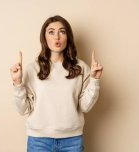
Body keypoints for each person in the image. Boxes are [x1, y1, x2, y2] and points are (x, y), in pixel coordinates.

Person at [9, 15, 103, 152]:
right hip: (39, 142)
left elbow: (85, 106)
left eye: (62, 32)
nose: (56, 37)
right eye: (51, 32)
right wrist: (17, 83)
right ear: (44, 37)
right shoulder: (32, 68)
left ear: (68, 37)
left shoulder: (80, 68)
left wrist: (95, 80)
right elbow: (23, 109)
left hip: (72, 141)